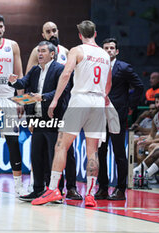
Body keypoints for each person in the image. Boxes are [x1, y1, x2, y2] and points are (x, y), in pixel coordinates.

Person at [32, 20, 112, 207]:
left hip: (81, 99)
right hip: (98, 100)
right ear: (95, 33)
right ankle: (91, 195)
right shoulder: (105, 55)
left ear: (80, 35)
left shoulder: (77, 50)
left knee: (61, 146)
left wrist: (54, 100)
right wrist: (104, 97)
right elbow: (108, 84)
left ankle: (52, 189)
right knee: (93, 150)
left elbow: (66, 74)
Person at [8, 41, 82, 201]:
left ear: (52, 54)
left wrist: (43, 97)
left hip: (54, 118)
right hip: (37, 118)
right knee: (36, 155)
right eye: (38, 51)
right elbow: (23, 84)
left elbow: (62, 91)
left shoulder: (60, 70)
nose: (39, 54)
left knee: (52, 156)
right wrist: (14, 81)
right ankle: (38, 189)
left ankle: (54, 191)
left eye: (43, 51)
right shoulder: (35, 70)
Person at [25, 21, 77, 197]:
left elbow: (71, 84)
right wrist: (29, 113)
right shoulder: (38, 52)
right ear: (43, 35)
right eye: (48, 31)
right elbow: (29, 82)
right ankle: (44, 188)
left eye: (54, 30)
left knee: (67, 151)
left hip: (63, 109)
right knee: (43, 151)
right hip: (42, 110)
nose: (52, 33)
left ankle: (71, 187)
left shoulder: (68, 52)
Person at [95, 38, 143, 201]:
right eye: (106, 48)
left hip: (117, 114)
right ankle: (102, 188)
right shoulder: (97, 67)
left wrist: (130, 106)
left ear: (117, 51)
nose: (109, 50)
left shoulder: (124, 67)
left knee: (119, 153)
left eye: (112, 48)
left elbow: (139, 86)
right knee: (100, 152)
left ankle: (120, 189)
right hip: (100, 114)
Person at [0, 14, 25, 197]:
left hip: (9, 100)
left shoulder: (13, 45)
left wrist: (21, 100)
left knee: (13, 142)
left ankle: (18, 186)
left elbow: (20, 73)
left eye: (1, 26)